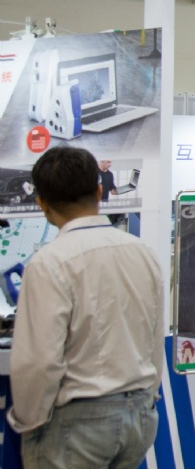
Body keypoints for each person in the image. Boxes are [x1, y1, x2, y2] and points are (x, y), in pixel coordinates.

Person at [7, 146, 163, 469]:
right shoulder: (142, 252)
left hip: (77, 423)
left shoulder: (48, 263)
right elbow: (154, 334)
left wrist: (28, 421)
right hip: (139, 416)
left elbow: (39, 360)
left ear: (42, 204)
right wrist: (149, 398)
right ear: (99, 191)